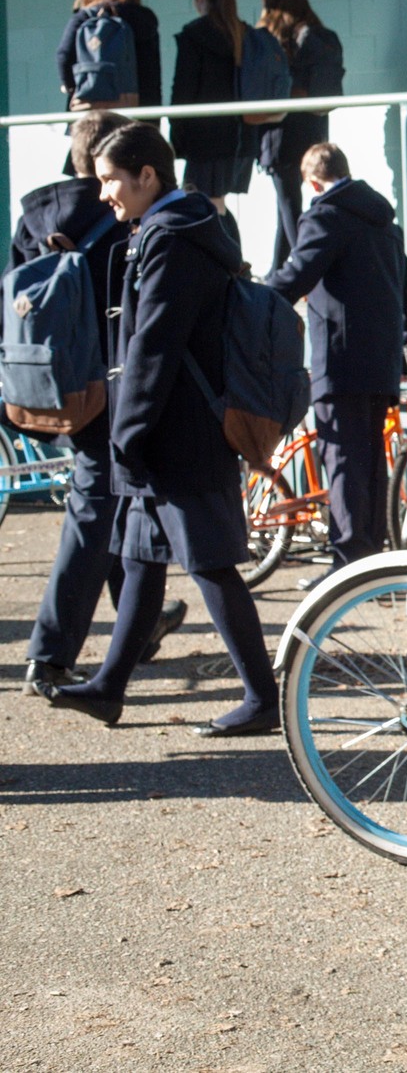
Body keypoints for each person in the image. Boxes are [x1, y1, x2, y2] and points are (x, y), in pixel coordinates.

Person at [41, 123, 279, 736]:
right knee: (140, 557)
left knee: (211, 563)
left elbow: (154, 345)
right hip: (168, 429)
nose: (104, 194)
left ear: (148, 176)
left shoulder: (172, 238)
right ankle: (109, 688)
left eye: (111, 180)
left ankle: (262, 698)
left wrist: (128, 431)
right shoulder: (176, 227)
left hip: (178, 433)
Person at [12, 112, 185, 694]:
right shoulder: (119, 217)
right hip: (110, 387)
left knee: (112, 502)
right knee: (95, 510)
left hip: (52, 384)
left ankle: (142, 624)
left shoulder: (35, 215)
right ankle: (49, 655)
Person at [263, 143, 407, 577]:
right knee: (370, 462)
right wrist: (403, 350)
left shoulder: (325, 216)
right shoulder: (386, 225)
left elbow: (295, 278)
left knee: (342, 460)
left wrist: (251, 299)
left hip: (340, 360)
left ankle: (349, 565)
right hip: (381, 365)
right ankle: (372, 561)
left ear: (314, 184)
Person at [256, 0, 346, 269]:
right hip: (311, 128)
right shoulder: (315, 32)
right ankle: (278, 271)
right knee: (288, 205)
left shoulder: (272, 37)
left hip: (279, 132)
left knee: (288, 205)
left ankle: (306, 269)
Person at [171, 0, 252, 239]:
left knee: (200, 201)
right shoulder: (243, 33)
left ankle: (226, 256)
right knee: (217, 202)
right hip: (239, 134)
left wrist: (176, 134)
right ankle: (231, 255)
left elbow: (183, 89)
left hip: (203, 134)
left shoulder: (194, 35)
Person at [56, 0, 163, 115]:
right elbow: (152, 71)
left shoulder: (84, 17)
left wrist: (72, 87)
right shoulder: (144, 18)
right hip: (138, 110)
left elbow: (63, 56)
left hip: (90, 112)